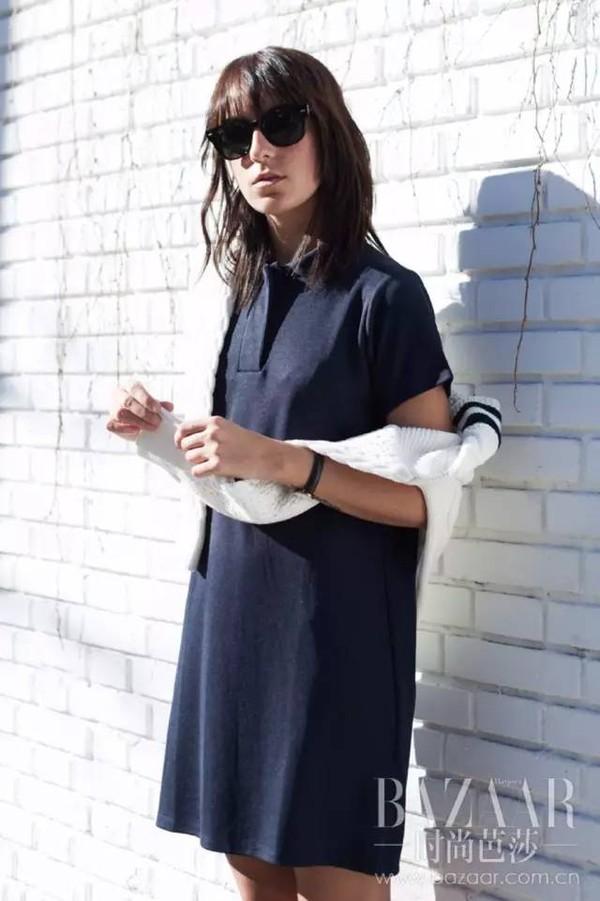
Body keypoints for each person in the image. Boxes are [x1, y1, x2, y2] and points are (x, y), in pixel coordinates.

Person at [106, 46, 456, 901]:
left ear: (326, 131)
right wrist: (162, 430)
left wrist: (287, 461)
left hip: (339, 634)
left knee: (338, 877)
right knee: (252, 877)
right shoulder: (229, 294)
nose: (258, 150)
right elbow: (226, 463)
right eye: (234, 137)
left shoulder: (386, 296)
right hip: (230, 608)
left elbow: (427, 497)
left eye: (281, 124)